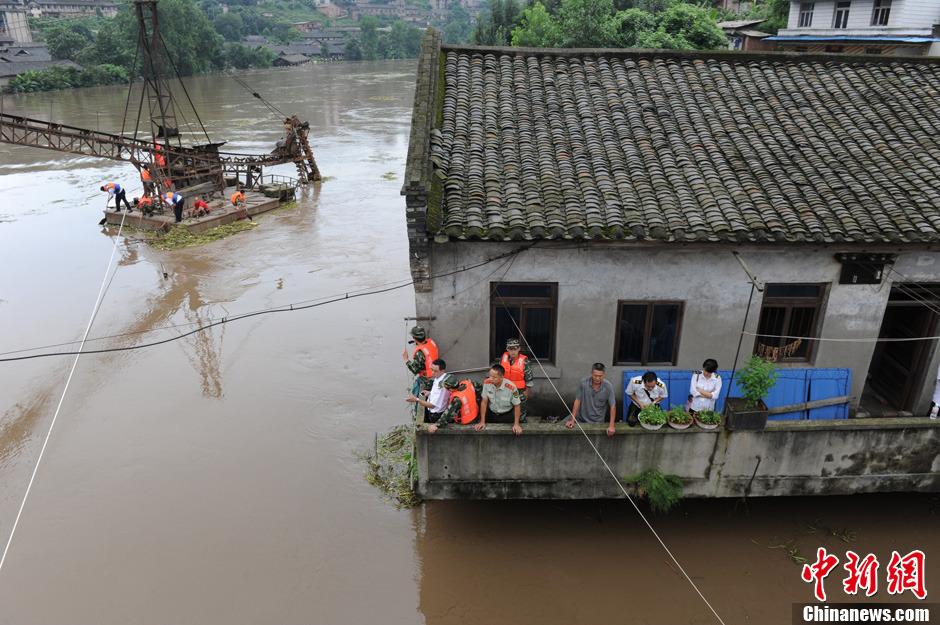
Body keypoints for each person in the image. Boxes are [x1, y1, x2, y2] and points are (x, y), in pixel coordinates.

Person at [565, 362, 617, 436]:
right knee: (561, 426)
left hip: (597, 421)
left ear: (604, 374)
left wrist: (611, 425)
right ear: (591, 373)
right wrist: (572, 420)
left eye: (600, 376)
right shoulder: (584, 383)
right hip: (580, 416)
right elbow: (577, 400)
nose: (597, 378)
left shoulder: (608, 387)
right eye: (595, 375)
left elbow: (613, 406)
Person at [475, 364, 522, 435]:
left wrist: (516, 424)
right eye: (490, 375)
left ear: (501, 377)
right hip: (492, 415)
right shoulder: (487, 384)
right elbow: (484, 402)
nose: (491, 379)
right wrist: (482, 421)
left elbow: (517, 405)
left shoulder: (511, 387)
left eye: (494, 377)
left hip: (507, 416)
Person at [405, 359, 451, 423]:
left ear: (442, 371)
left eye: (435, 371)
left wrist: (416, 399)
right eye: (432, 370)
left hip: (436, 415)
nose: (433, 373)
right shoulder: (441, 377)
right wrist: (430, 393)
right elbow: (437, 393)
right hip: (437, 411)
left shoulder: (441, 386)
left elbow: (432, 405)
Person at [500, 338, 533, 418]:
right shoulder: (503, 359)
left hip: (519, 392)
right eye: (511, 349)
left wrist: (525, 395)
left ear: (519, 349)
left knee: (520, 416)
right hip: (505, 391)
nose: (513, 352)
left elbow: (529, 381)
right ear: (507, 349)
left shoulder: (525, 362)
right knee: (506, 414)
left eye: (515, 349)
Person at [403, 325, 439, 391]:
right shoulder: (431, 343)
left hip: (428, 381)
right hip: (437, 375)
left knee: (424, 397)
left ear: (414, 339)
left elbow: (415, 370)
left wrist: (406, 359)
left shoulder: (420, 353)